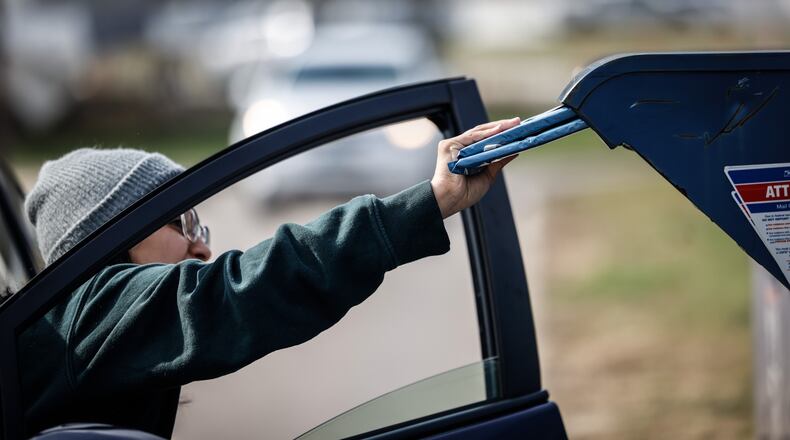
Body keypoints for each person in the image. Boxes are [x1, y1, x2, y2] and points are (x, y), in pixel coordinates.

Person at [19, 117, 521, 438]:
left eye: (200, 224)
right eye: (181, 223)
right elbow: (249, 287)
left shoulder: (91, 329)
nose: (202, 245)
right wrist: (429, 202)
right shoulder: (90, 313)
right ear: (105, 237)